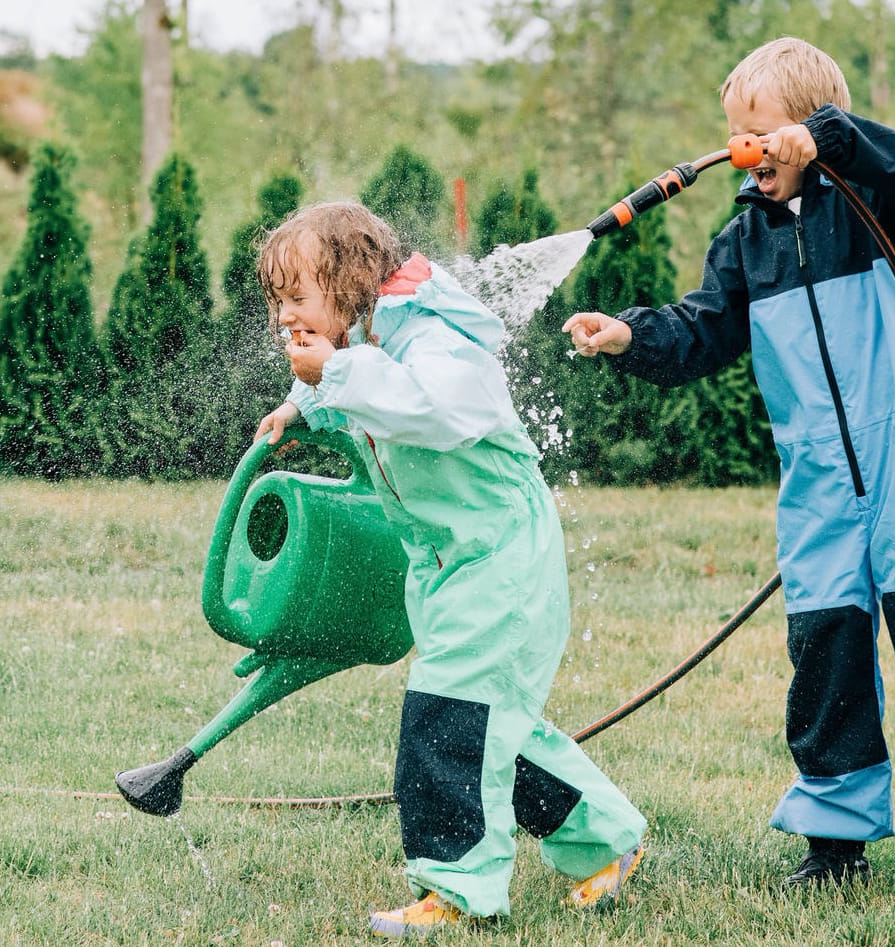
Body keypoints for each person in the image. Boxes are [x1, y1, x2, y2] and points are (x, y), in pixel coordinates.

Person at [562, 38, 895, 892]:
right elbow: (703, 329)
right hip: (817, 477)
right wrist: (632, 335)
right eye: (736, 136)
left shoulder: (874, 206)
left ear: (801, 131)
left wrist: (832, 138)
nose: (745, 154)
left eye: (761, 135)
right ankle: (834, 842)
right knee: (823, 652)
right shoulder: (743, 242)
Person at [253, 202, 646, 935]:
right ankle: (608, 836)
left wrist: (333, 371)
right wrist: (301, 404)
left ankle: (458, 889)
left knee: (448, 714)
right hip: (443, 559)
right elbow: (360, 383)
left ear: (353, 283)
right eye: (278, 300)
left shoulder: (437, 336)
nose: (283, 315)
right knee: (490, 719)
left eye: (297, 296)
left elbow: (432, 409)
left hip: (498, 553)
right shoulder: (369, 333)